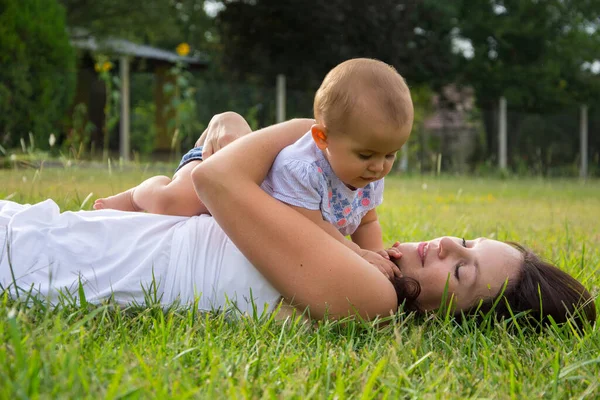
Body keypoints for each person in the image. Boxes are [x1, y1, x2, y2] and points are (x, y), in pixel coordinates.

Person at [0, 114, 595, 329]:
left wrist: (325, 129)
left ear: (459, 324)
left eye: (461, 270)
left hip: (39, 263)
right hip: (56, 235)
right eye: (463, 241)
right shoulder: (356, 248)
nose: (442, 243)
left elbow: (216, 179)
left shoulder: (371, 297)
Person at [93, 58, 413, 279]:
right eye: (367, 154)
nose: (378, 167)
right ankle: (134, 198)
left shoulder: (368, 175)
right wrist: (355, 256)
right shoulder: (304, 170)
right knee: (174, 205)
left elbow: (367, 220)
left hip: (239, 217)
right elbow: (311, 229)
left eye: (390, 155)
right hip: (218, 180)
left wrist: (376, 257)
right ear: (322, 137)